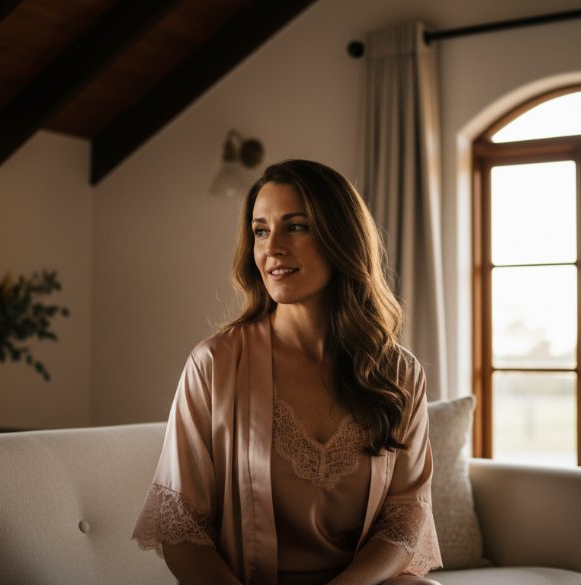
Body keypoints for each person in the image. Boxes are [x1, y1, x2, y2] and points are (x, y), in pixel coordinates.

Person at [133, 159, 442, 585]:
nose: (271, 247)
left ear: (341, 238)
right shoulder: (215, 366)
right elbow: (180, 529)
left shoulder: (399, 373)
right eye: (261, 231)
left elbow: (404, 518)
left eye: (295, 226)